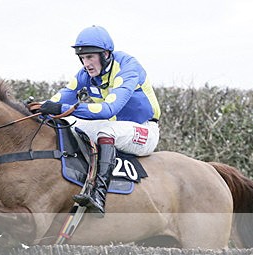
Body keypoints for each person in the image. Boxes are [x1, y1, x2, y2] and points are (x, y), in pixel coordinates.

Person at [37, 25, 161, 216]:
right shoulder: (86, 74)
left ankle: (99, 195)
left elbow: (109, 109)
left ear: (105, 54)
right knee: (68, 124)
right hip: (114, 126)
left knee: (106, 132)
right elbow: (64, 96)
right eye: (83, 58)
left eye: (90, 57)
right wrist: (39, 107)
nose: (86, 64)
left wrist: (61, 109)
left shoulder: (128, 68)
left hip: (144, 130)